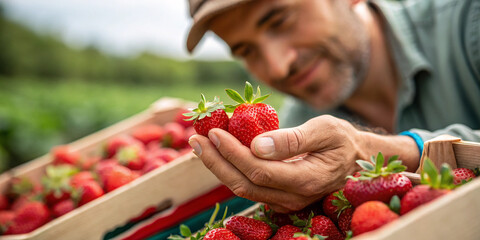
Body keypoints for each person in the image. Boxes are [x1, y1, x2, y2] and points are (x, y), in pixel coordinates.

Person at [185, 0, 480, 213]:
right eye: (247, 51)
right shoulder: (297, 130)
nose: (278, 67)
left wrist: (398, 151)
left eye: (279, 21)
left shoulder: (470, 21)